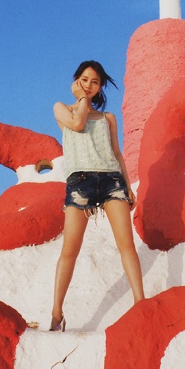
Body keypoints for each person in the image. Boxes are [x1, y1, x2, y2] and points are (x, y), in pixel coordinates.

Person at [50, 60, 145, 331]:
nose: (89, 85)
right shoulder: (62, 109)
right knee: (70, 250)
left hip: (111, 180)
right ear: (76, 81)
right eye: (84, 79)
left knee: (126, 244)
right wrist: (80, 99)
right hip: (80, 182)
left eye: (94, 81)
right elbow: (78, 125)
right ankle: (57, 314)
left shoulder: (108, 118)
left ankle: (141, 303)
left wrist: (127, 186)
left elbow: (116, 154)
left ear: (101, 85)